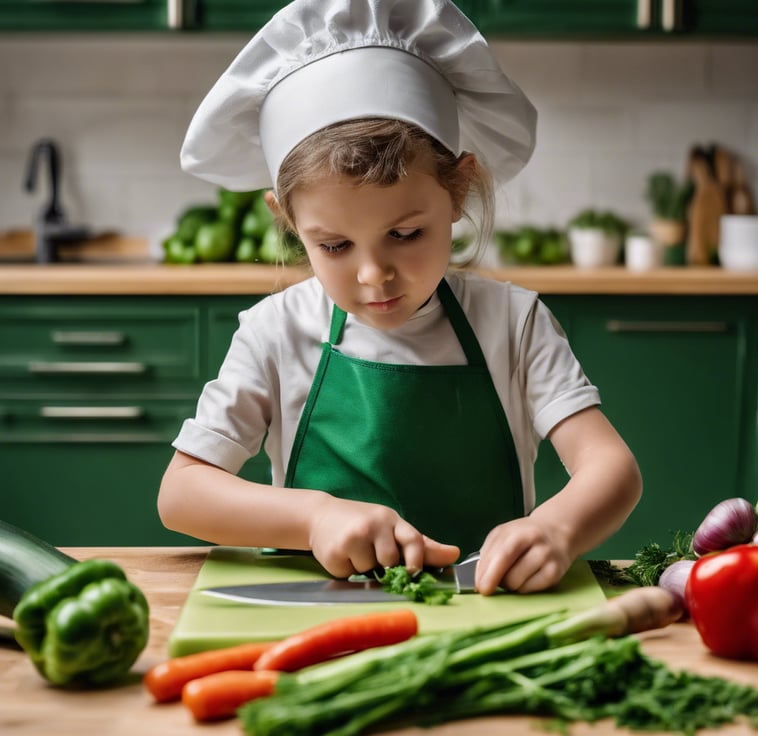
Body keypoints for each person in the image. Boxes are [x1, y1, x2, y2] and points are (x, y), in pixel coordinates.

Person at [158, 0, 642, 596]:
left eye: (405, 235)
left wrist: (557, 529)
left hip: (488, 616)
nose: (373, 275)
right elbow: (181, 492)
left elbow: (612, 470)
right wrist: (315, 517)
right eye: (334, 245)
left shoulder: (514, 324)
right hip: (320, 620)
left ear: (458, 189)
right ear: (286, 221)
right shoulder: (273, 332)